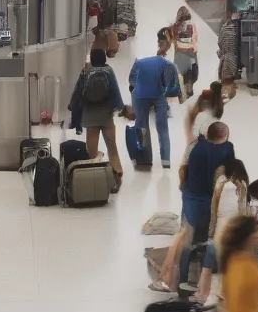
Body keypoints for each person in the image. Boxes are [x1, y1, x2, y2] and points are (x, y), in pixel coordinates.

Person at [153, 122, 236, 293]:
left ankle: (182, 280)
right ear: (225, 136)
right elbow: (231, 171)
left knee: (186, 241)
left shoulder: (196, 149)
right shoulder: (228, 148)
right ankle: (202, 277)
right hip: (212, 200)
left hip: (193, 199)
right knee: (205, 239)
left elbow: (185, 171)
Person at [68, 48, 132, 193]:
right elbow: (115, 90)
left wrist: (72, 106)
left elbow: (78, 90)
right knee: (112, 146)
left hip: (90, 117)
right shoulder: (108, 71)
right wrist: (121, 108)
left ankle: (94, 176)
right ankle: (117, 174)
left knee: (91, 151)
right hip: (106, 116)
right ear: (104, 58)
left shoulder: (86, 71)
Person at [193, 157, 250, 304]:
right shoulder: (241, 185)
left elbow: (214, 212)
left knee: (208, 261)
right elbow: (242, 213)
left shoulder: (220, 183)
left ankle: (201, 294)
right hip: (232, 234)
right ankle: (224, 295)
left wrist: (211, 233)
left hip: (218, 232)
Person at [127, 29, 180, 170]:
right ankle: (166, 161)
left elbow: (131, 81)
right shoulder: (165, 64)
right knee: (162, 127)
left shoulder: (138, 62)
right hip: (158, 95)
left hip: (141, 95)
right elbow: (171, 85)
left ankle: (146, 159)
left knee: (142, 126)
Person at [170, 6, 198, 97]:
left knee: (181, 75)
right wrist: (194, 50)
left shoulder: (175, 26)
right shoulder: (191, 24)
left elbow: (173, 40)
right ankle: (188, 91)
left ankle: (182, 94)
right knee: (191, 74)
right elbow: (195, 38)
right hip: (190, 53)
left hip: (179, 54)